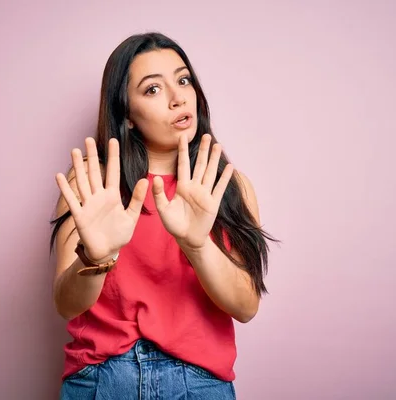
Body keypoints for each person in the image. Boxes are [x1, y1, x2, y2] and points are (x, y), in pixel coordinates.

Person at [50, 32, 276, 399]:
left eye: (183, 80)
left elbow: (246, 307)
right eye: (152, 90)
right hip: (102, 380)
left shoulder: (229, 186)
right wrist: (96, 256)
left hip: (198, 383)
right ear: (128, 115)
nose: (178, 97)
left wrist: (196, 244)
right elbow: (66, 304)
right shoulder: (93, 184)